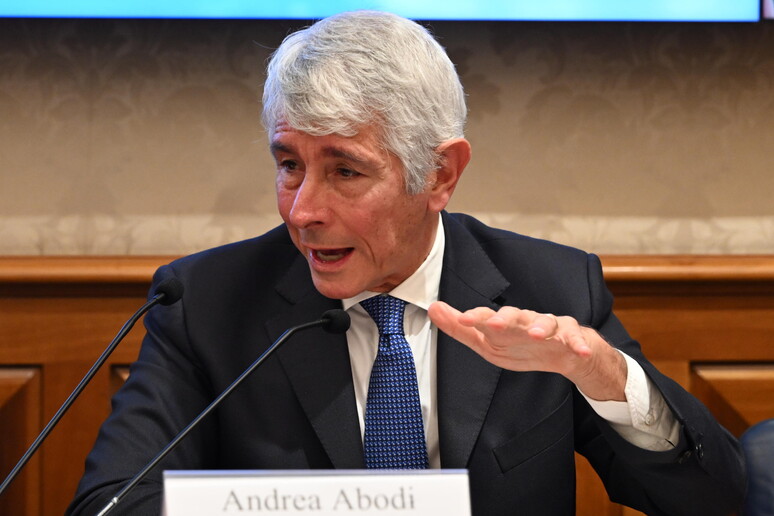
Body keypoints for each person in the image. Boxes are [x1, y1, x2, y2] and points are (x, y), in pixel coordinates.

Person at [67, 10, 745, 516]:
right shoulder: (206, 304)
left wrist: (605, 377)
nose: (303, 210)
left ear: (440, 174)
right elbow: (110, 503)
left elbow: (716, 500)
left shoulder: (550, 289)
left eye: (345, 171)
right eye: (289, 164)